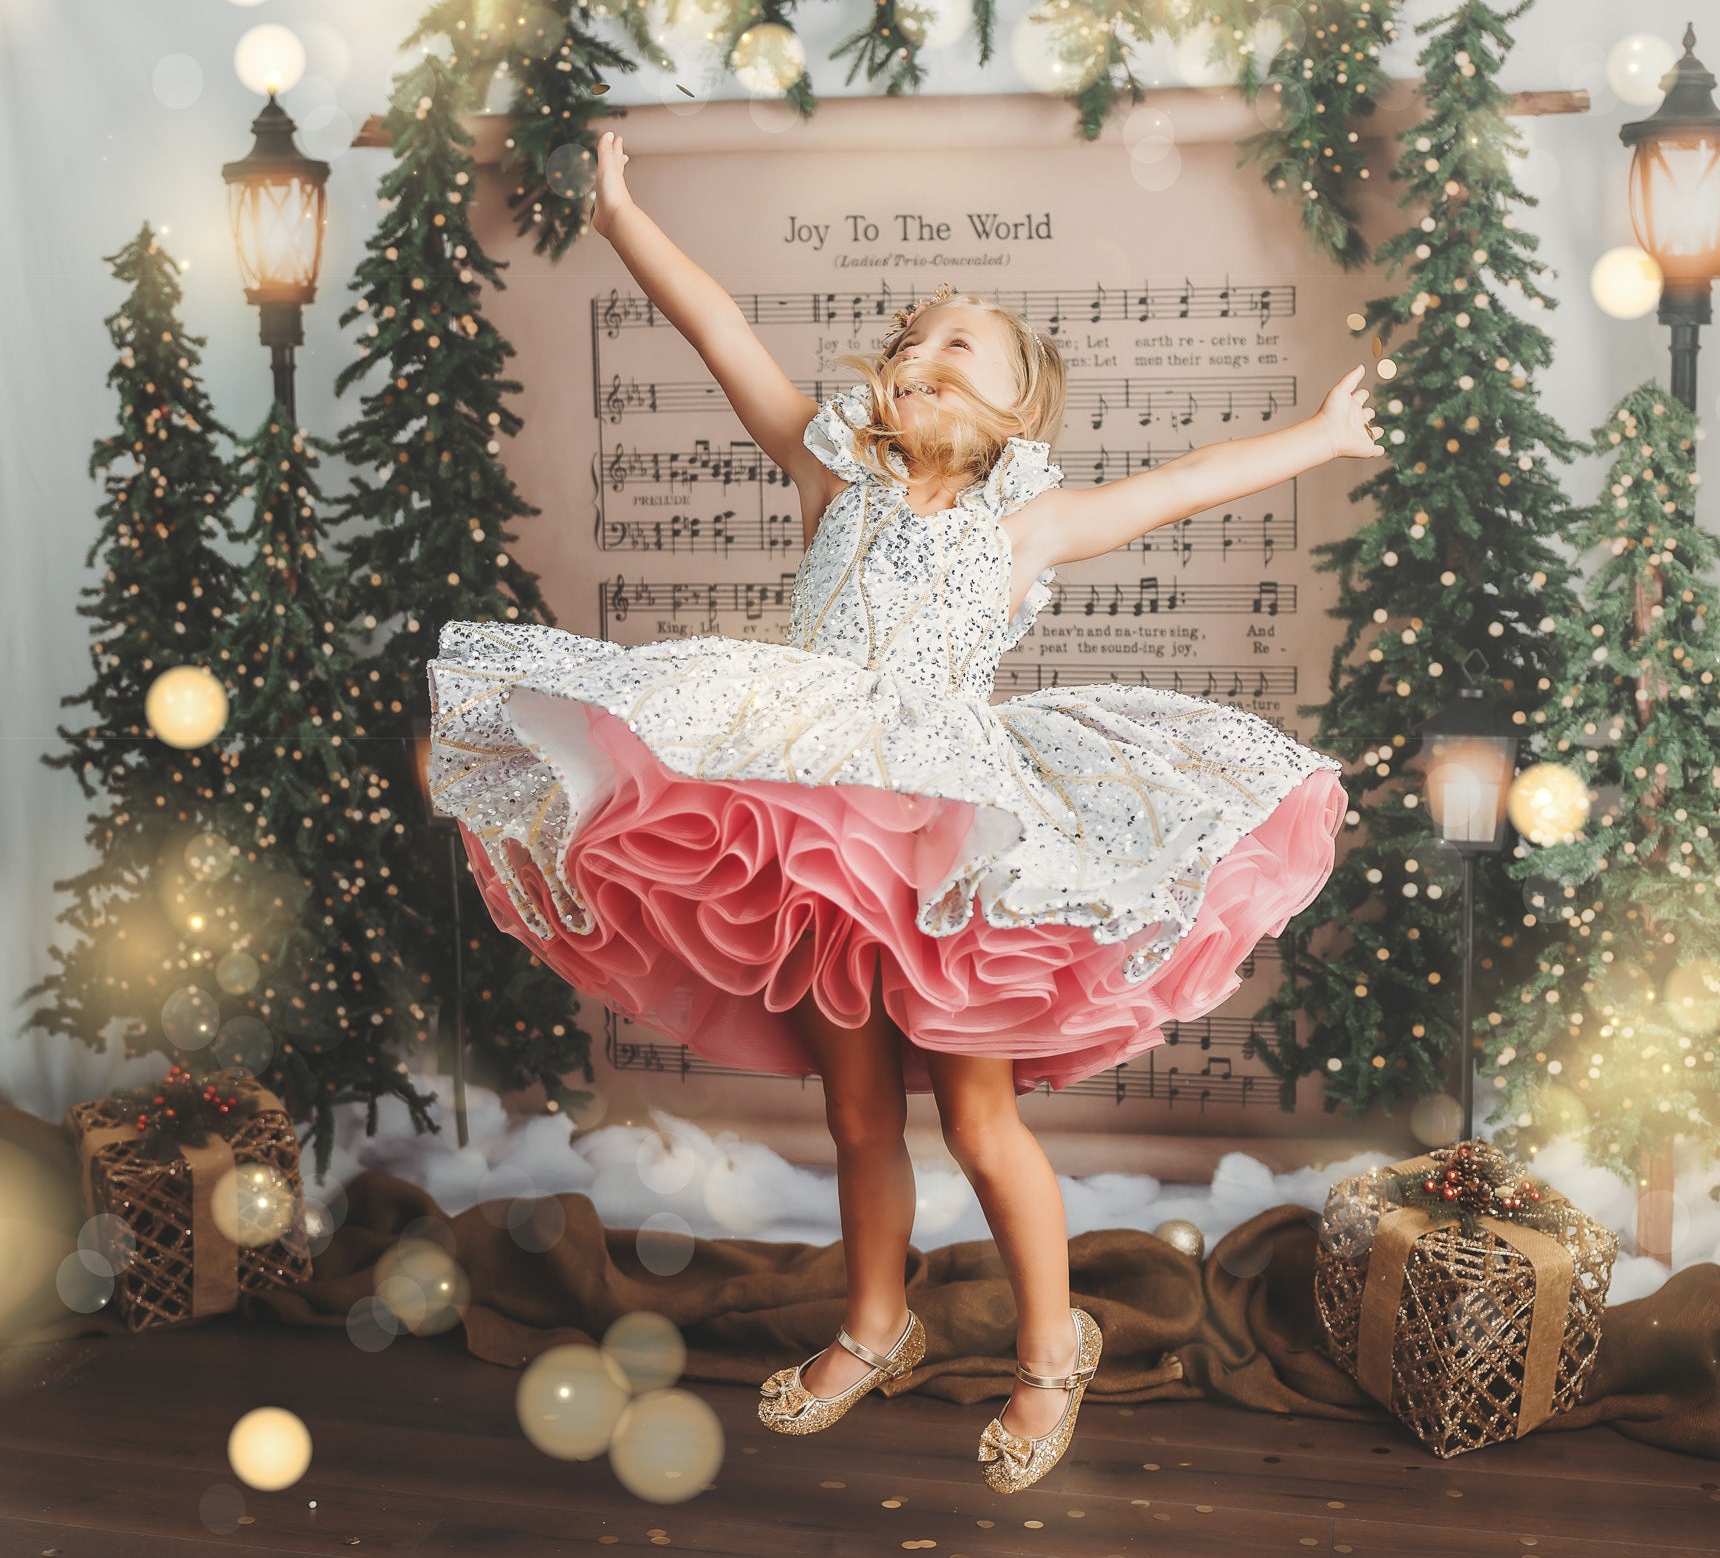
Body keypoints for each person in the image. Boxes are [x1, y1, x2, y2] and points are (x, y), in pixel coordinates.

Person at [423, 129, 1381, 1493]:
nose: (925, 353)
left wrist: (1324, 436)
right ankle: (876, 1323)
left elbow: (1183, 484)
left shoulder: (1026, 526)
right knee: (859, 1112)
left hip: (946, 839)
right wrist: (622, 212)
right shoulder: (832, 476)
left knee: (978, 1122)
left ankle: (1052, 1348)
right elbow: (720, 329)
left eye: (960, 347)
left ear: (1016, 409)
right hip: (816, 834)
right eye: (914, 340)